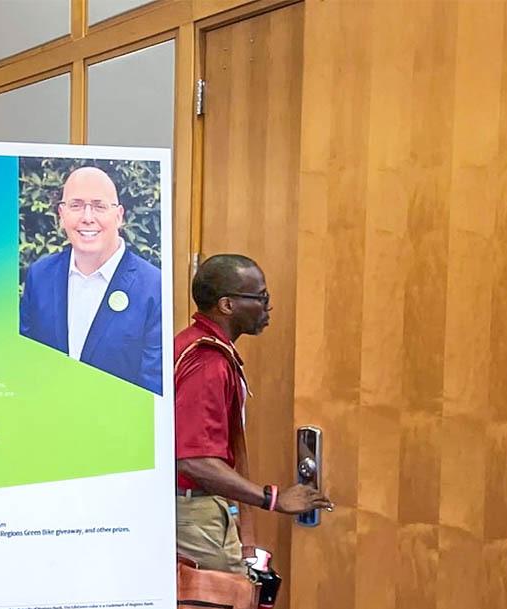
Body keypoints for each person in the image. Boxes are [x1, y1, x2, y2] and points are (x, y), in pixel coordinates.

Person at [174, 254, 333, 575]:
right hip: (193, 513)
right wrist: (272, 498)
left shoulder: (196, 346)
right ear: (227, 306)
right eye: (260, 298)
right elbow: (193, 460)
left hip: (194, 507)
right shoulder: (207, 363)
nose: (267, 307)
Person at [19, 166, 163, 394]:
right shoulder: (40, 276)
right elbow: (24, 363)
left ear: (119, 216)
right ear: (61, 215)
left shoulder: (154, 286)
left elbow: (153, 384)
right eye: (76, 206)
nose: (87, 218)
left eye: (99, 206)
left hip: (119, 426)